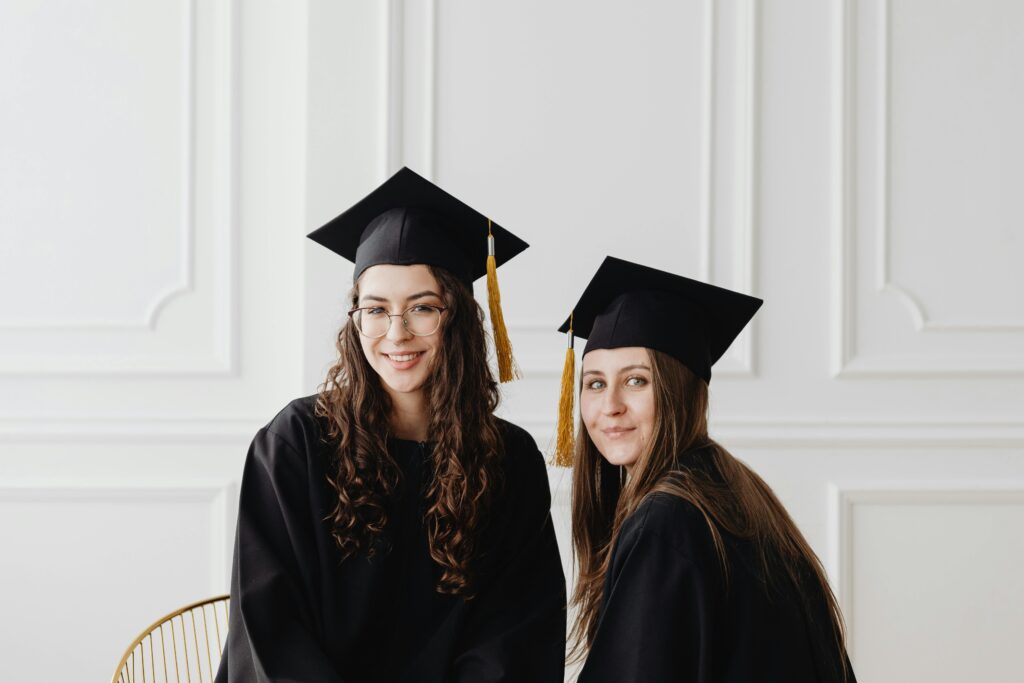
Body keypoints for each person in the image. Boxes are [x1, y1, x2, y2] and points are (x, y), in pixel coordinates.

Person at [215, 167, 566, 682]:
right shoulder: (296, 443)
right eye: (375, 310)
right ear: (355, 319)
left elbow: (513, 636)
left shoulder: (508, 460)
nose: (396, 333)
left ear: (459, 317)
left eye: (422, 307)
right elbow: (271, 626)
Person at [554, 256, 855, 682]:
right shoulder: (731, 491)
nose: (610, 406)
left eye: (637, 380)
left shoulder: (666, 521)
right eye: (595, 383)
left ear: (679, 389)